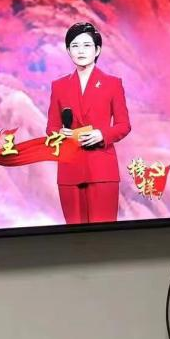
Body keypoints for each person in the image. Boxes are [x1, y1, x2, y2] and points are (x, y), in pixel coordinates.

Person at [46, 22, 131, 224]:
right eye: (75, 46)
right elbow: (51, 128)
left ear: (97, 50)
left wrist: (102, 135)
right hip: (69, 170)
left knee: (104, 233)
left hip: (102, 169)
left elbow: (124, 125)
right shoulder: (59, 86)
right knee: (75, 235)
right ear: (68, 51)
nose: (81, 51)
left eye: (86, 45)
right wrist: (60, 135)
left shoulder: (112, 84)